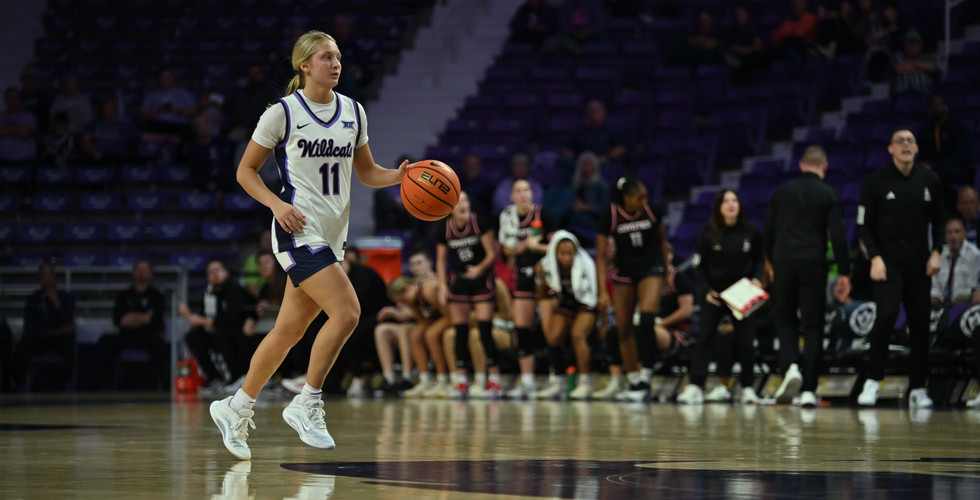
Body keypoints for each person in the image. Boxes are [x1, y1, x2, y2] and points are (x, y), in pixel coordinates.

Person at [207, 30, 410, 460]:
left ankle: (235, 406)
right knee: (348, 312)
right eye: (325, 57)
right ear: (304, 65)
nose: (335, 64)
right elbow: (245, 171)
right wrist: (276, 204)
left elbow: (368, 172)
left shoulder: (354, 111)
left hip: (332, 236)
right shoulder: (282, 113)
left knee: (287, 332)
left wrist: (399, 177)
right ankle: (307, 402)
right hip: (298, 231)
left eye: (338, 57)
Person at [856, 128, 944, 408]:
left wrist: (936, 252)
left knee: (920, 323)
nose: (905, 144)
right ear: (890, 149)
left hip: (920, 264)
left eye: (910, 141)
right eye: (899, 141)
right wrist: (875, 258)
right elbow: (863, 226)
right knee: (887, 315)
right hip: (888, 263)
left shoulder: (930, 180)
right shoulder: (876, 182)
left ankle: (918, 387)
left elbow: (941, 220)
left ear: (917, 149)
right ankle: (872, 381)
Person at [764, 146, 852, 408]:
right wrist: (845, 272)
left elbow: (768, 231)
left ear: (801, 165)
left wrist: (770, 261)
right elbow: (837, 236)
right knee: (812, 325)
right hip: (813, 261)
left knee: (784, 318)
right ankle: (809, 391)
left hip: (783, 261)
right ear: (824, 167)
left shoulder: (782, 192)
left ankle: (790, 366)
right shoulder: (828, 193)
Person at [677, 189, 766, 405]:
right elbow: (699, 267)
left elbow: (760, 261)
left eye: (734, 200)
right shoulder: (707, 233)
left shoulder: (752, 232)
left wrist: (756, 279)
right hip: (715, 294)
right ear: (719, 207)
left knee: (746, 341)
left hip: (741, 294)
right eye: (726, 201)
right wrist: (706, 290)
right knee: (705, 337)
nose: (731, 204)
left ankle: (747, 388)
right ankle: (696, 386)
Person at [595, 177, 669, 402]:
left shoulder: (652, 211)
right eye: (640, 198)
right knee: (623, 327)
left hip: (651, 267)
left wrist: (666, 273)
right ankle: (634, 378)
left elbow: (662, 243)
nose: (645, 201)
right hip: (625, 270)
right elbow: (600, 257)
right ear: (626, 199)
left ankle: (647, 368)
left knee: (646, 318)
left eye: (646, 196)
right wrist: (602, 291)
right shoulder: (611, 215)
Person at [436, 191, 501, 398]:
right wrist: (443, 286)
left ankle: (494, 381)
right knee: (460, 331)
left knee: (484, 329)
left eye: (465, 200)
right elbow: (439, 261)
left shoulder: (479, 222)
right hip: (460, 281)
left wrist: (479, 270)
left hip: (481, 279)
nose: (463, 204)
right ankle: (461, 380)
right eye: (458, 202)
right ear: (450, 208)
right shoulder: (444, 228)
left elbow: (492, 253)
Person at [499, 179, 558, 399]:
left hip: (546, 277)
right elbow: (506, 249)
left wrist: (537, 247)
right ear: (511, 196)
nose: (523, 194)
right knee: (521, 329)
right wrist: (524, 247)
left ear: (533, 194)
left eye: (527, 190)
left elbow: (559, 247)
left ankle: (556, 380)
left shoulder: (545, 215)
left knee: (550, 330)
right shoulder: (507, 217)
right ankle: (528, 382)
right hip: (523, 276)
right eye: (518, 191)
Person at [536, 230, 599, 399]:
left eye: (570, 253)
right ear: (555, 253)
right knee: (553, 337)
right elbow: (542, 292)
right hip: (567, 303)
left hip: (587, 304)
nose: (566, 257)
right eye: (562, 253)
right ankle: (557, 381)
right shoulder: (546, 266)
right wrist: (540, 278)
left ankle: (585, 382)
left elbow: (594, 295)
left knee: (577, 335)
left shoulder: (587, 264)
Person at [181, 260, 258, 391]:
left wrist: (204, 321)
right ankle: (213, 377)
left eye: (217, 270)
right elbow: (204, 315)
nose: (214, 274)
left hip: (240, 331)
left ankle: (237, 376)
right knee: (193, 336)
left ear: (226, 272)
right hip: (218, 331)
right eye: (210, 272)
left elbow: (232, 318)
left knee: (222, 334)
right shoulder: (209, 293)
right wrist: (189, 316)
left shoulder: (233, 289)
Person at [370, 250, 435, 396]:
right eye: (412, 264)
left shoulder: (434, 282)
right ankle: (389, 378)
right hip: (418, 323)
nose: (415, 267)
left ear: (430, 263)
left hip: (430, 323)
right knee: (382, 329)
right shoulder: (407, 284)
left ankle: (407, 377)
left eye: (419, 262)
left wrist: (398, 313)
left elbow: (414, 314)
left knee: (405, 329)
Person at [96, 259, 167, 390]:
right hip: (126, 336)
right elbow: (120, 320)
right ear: (133, 272)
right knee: (104, 341)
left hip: (148, 336)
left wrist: (131, 317)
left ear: (150, 274)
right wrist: (144, 317)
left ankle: (154, 388)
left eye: (144, 270)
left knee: (160, 345)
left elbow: (154, 320)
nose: (141, 273)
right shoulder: (124, 295)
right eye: (138, 269)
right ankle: (105, 387)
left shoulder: (156, 296)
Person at [13, 265, 76, 391]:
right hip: (40, 338)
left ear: (55, 278)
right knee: (25, 342)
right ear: (39, 280)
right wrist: (51, 332)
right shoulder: (32, 299)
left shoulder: (65, 297)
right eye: (44, 277)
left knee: (69, 340)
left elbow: (68, 322)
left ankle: (69, 382)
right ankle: (20, 383)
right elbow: (29, 324)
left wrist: (56, 304)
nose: (48, 280)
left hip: (60, 340)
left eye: (50, 276)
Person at [388, 275, 453, 398]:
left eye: (403, 300)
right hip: (440, 318)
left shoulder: (429, 289)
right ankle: (425, 380)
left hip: (458, 315)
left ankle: (442, 379)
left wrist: (433, 328)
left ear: (408, 288)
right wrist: (411, 306)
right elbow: (423, 321)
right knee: (415, 334)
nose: (404, 303)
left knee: (431, 334)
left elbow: (452, 316)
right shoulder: (411, 298)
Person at [916, 94, 972, 207]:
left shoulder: (957, 128)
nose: (936, 108)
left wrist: (936, 166)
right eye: (932, 105)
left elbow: (961, 157)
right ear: (928, 109)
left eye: (939, 104)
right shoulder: (924, 131)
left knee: (937, 179)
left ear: (945, 106)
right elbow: (921, 156)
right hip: (931, 171)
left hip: (955, 170)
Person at [931, 219, 980, 306]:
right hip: (942, 305)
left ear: (965, 234)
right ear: (945, 236)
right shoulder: (940, 255)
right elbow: (935, 286)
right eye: (949, 232)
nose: (953, 236)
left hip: (964, 305)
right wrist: (934, 300)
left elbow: (975, 287)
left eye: (957, 232)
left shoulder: (975, 255)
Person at [79, 98, 139, 165]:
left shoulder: (125, 125)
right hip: (95, 156)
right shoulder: (94, 124)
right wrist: (94, 153)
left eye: (111, 108)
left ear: (116, 110)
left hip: (115, 157)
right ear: (102, 110)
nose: (109, 110)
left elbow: (144, 136)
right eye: (106, 108)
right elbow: (85, 142)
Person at [890, 30, 938, 100]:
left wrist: (912, 64)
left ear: (920, 45)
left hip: (923, 91)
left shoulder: (927, 57)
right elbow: (898, 69)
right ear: (904, 45)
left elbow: (933, 68)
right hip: (903, 92)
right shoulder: (898, 56)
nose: (912, 47)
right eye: (909, 44)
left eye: (915, 44)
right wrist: (920, 66)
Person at [0, 86, 38, 164]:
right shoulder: (1, 117)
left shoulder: (29, 117)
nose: (15, 100)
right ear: (6, 99)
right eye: (11, 98)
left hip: (25, 162)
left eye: (17, 98)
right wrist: (17, 130)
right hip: (3, 161)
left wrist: (6, 130)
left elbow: (25, 134)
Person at [458, 153, 495, 217]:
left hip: (480, 217)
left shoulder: (487, 184)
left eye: (474, 165)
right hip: (459, 215)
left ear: (479, 167)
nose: (471, 168)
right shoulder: (458, 182)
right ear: (464, 166)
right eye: (468, 165)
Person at [242, 230, 273, 298]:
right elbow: (251, 285)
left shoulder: (283, 256)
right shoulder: (252, 259)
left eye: (271, 238)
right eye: (265, 239)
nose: (269, 242)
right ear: (260, 241)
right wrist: (263, 299)